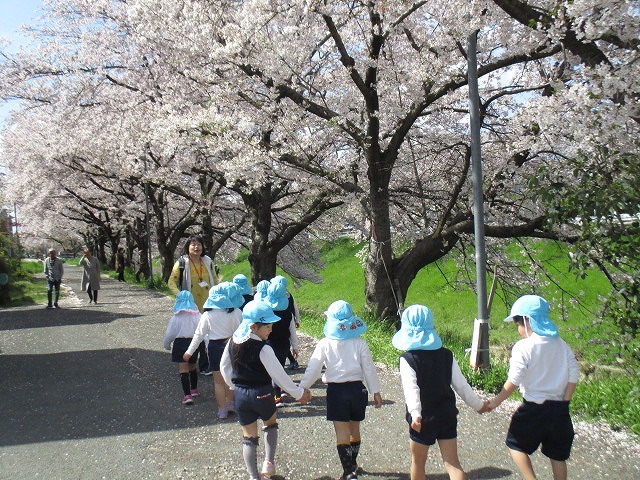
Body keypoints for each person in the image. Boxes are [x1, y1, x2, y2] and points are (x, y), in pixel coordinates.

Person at [392, 304, 491, 480]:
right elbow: (462, 386)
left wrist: (415, 414)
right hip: (446, 415)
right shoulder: (447, 355)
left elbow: (411, 389)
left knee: (418, 463)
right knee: (453, 464)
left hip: (423, 418)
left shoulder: (408, 359)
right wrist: (479, 405)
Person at [488, 295, 580, 480]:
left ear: (527, 320)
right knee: (558, 455)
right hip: (560, 409)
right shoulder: (562, 345)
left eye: (518, 324)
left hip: (533, 408)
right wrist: (565, 401)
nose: (518, 330)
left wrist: (495, 402)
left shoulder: (523, 347)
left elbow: (514, 380)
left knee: (516, 445)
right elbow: (574, 374)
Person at [220, 300, 311, 480]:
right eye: (267, 326)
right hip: (262, 392)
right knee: (270, 424)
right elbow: (279, 376)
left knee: (249, 437)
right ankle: (268, 462)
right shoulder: (263, 348)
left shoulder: (232, 342)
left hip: (241, 395)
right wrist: (299, 394)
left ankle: (254, 476)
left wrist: (233, 384)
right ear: (254, 327)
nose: (270, 330)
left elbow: (224, 367)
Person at [299, 300, 382, 480]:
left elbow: (314, 367)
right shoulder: (360, 343)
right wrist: (375, 391)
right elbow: (369, 368)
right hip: (357, 390)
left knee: (342, 433)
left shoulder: (325, 343)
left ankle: (348, 472)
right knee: (355, 429)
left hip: (337, 391)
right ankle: (353, 463)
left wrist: (303, 387)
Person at [183, 282, 243, 418]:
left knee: (218, 381)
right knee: (230, 377)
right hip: (233, 346)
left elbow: (199, 335)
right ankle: (230, 403)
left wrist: (189, 351)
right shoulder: (237, 312)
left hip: (215, 348)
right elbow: (242, 331)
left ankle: (222, 410)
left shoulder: (208, 315)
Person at [168, 235, 220, 375]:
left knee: (208, 334)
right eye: (193, 244)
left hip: (208, 303)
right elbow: (171, 282)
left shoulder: (207, 261)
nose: (196, 247)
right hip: (191, 307)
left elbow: (215, 279)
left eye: (199, 244)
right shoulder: (182, 263)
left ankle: (205, 365)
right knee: (195, 334)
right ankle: (191, 362)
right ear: (187, 247)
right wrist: (181, 296)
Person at [262, 276, 301, 406]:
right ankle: (278, 391)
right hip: (283, 344)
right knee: (279, 368)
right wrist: (295, 347)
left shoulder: (265, 311)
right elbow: (292, 331)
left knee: (269, 369)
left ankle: (275, 395)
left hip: (267, 344)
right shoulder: (287, 313)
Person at [163, 290, 203, 405]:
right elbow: (202, 331)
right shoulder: (197, 316)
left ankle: (187, 395)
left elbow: (169, 334)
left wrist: (167, 345)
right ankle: (194, 389)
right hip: (193, 344)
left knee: (183, 370)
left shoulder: (175, 318)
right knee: (192, 366)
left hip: (180, 344)